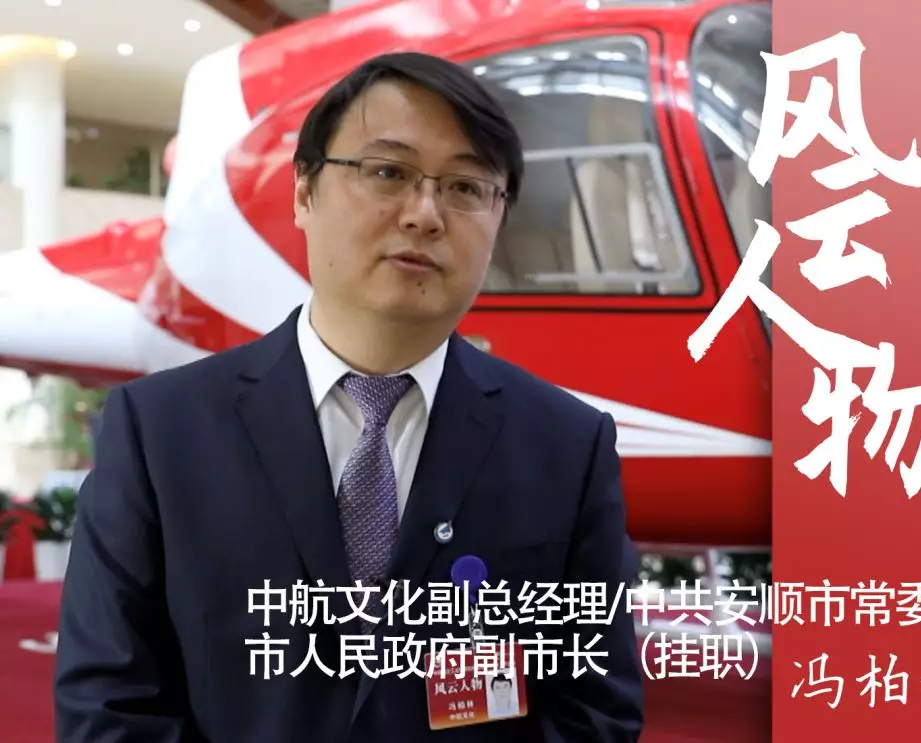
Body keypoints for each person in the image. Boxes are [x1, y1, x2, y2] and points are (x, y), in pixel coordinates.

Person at [53, 51, 644, 742]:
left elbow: (595, 710)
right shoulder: (160, 433)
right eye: (388, 172)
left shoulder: (566, 448)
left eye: (465, 187)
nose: (425, 214)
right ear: (304, 192)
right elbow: (108, 705)